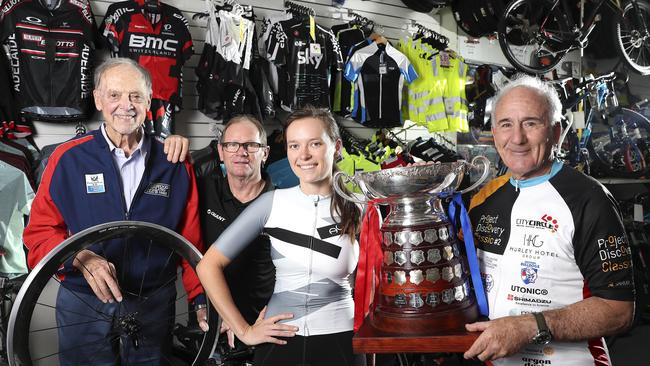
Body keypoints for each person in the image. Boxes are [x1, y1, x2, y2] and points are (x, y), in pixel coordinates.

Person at [23, 57, 207, 365]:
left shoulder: (174, 162)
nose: (126, 105)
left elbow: (190, 241)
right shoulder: (67, 159)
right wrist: (81, 258)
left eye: (136, 95)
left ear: (149, 100)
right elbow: (38, 233)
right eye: (114, 95)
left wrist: (199, 297)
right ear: (97, 99)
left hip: (152, 301)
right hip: (83, 298)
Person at [464, 75, 635, 365]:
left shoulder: (589, 199)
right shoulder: (483, 200)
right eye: (506, 124)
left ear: (555, 133)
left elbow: (619, 311)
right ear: (494, 134)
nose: (517, 138)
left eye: (531, 123)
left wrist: (532, 326)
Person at [197, 106, 364, 366]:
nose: (304, 155)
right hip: (280, 339)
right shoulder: (271, 204)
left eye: (315, 144)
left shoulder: (359, 207)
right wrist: (244, 331)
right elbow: (208, 265)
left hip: (341, 336)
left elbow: (372, 282)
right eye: (294, 146)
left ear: (337, 146)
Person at [196, 115, 275, 364]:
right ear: (221, 152)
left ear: (265, 153)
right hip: (210, 320)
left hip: (264, 322)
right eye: (232, 145)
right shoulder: (203, 191)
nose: (241, 152)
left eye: (251, 145)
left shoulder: (281, 203)